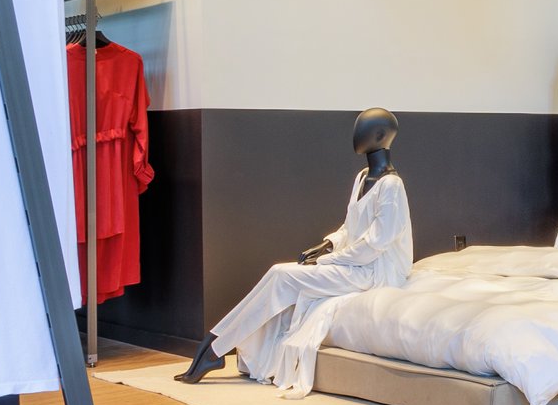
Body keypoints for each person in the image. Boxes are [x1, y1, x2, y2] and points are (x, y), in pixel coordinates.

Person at [175, 108, 412, 385]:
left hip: (375, 273)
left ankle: (215, 346)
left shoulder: (392, 186)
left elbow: (376, 243)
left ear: (381, 135)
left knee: (281, 276)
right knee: (278, 272)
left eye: (362, 128)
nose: (354, 135)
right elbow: (351, 227)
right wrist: (326, 245)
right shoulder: (362, 177)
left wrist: (328, 261)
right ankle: (215, 343)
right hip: (352, 263)